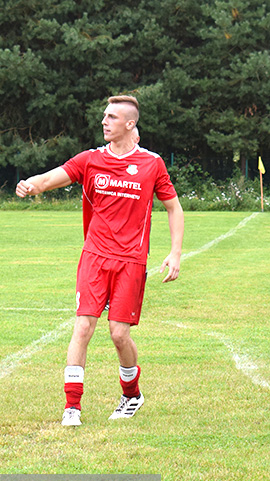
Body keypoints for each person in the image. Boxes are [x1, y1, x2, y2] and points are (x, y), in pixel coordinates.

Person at [16, 95, 184, 426]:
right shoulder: (90, 160)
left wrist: (175, 251)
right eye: (104, 116)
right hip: (95, 255)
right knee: (83, 325)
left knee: (119, 334)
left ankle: (132, 395)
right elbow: (53, 177)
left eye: (111, 117)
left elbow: (173, 207)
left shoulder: (152, 164)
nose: (104, 122)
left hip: (132, 260)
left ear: (130, 124)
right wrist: (32, 185)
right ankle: (72, 406)